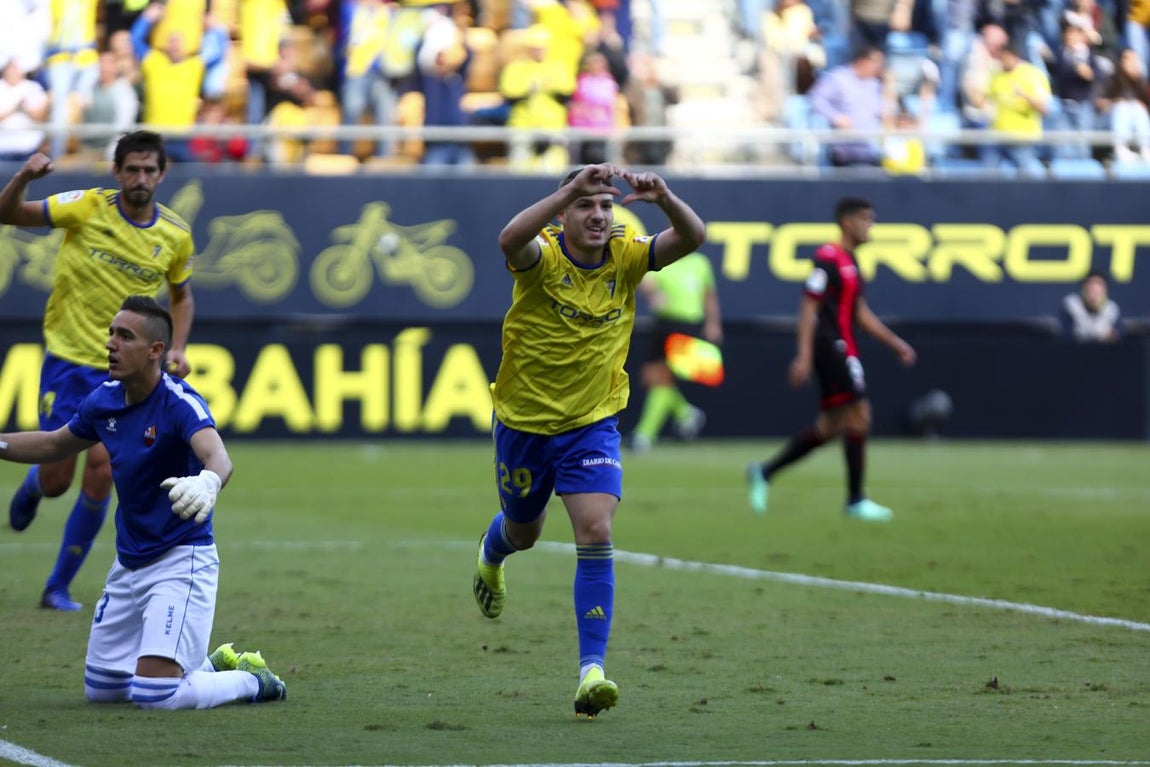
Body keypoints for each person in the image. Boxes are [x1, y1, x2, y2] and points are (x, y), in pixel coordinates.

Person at [472, 163, 706, 719]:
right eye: (586, 205)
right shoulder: (542, 257)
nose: (599, 215)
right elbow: (510, 239)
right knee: (524, 533)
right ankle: (491, 552)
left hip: (591, 423)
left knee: (596, 528)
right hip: (524, 423)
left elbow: (693, 237)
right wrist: (566, 191)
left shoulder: (627, 258)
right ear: (564, 211)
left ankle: (591, 672)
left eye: (605, 205)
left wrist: (666, 198)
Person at [0, 295, 287, 708]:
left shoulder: (178, 401)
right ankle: (208, 666)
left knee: (156, 695)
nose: (110, 344)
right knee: (103, 691)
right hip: (129, 564)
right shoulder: (104, 400)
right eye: (111, 333)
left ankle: (253, 681)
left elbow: (218, 456)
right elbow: (52, 443)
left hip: (180, 560)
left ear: (155, 351)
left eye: (125, 336)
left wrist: (208, 483)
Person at [0, 130, 195, 612]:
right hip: (70, 361)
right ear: (117, 172)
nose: (141, 178)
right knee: (57, 478)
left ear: (162, 174)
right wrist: (24, 175)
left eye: (150, 170)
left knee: (104, 470)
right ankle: (34, 486)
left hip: (128, 374)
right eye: (132, 169)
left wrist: (179, 347)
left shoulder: (175, 234)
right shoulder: (85, 206)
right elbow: (9, 214)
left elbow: (182, 296)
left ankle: (57, 586)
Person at [746, 197, 915, 522]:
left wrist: (896, 343)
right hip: (830, 346)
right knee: (860, 415)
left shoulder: (852, 263)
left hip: (844, 346)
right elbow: (808, 305)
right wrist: (804, 355)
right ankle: (855, 500)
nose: (871, 226)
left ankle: (765, 472)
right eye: (866, 219)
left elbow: (859, 314)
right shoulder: (828, 257)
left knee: (831, 427)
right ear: (847, 221)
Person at [630, 251, 722, 452]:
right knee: (651, 378)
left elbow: (709, 295)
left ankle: (644, 434)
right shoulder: (664, 256)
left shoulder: (700, 263)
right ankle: (685, 413)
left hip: (686, 326)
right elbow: (647, 282)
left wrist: (713, 323)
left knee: (664, 378)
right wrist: (654, 295)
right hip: (662, 324)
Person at [1061, 271, 1122, 342]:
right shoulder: (1070, 306)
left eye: (1097, 292)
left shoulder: (1112, 309)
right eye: (1090, 289)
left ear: (1105, 292)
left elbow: (1119, 335)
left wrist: (1113, 335)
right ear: (1083, 289)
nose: (1093, 295)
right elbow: (1066, 336)